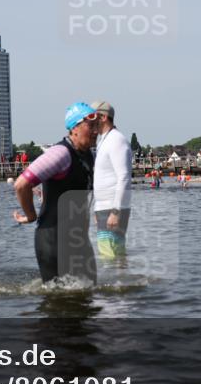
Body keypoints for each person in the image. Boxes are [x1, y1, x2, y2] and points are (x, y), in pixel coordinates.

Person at [13, 102, 98, 284]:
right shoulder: (61, 153)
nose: (96, 131)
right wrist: (30, 215)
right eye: (91, 126)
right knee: (58, 302)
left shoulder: (88, 154)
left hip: (78, 240)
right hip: (53, 239)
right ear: (74, 128)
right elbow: (21, 184)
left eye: (97, 126)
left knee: (90, 295)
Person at [90, 101, 132, 260]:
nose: (88, 122)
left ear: (103, 117)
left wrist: (116, 210)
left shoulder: (116, 140)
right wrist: (96, 207)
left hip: (112, 207)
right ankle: (123, 282)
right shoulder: (104, 140)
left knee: (110, 254)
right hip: (104, 207)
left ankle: (120, 283)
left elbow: (124, 176)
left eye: (92, 117)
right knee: (113, 253)